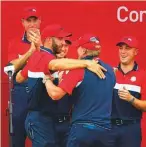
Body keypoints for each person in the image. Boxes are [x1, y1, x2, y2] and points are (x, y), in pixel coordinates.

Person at [16, 26, 106, 147]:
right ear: (48, 40)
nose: (63, 43)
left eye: (65, 43)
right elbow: (55, 64)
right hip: (41, 118)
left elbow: (19, 78)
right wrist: (86, 62)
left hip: (55, 120)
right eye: (59, 39)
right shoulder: (43, 56)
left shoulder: (39, 57)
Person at [44, 34, 116, 147]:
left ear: (82, 50)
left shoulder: (78, 70)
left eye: (78, 48)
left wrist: (47, 79)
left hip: (82, 129)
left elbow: (55, 94)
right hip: (105, 131)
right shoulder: (111, 71)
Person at [6, 7, 41, 147]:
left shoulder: (46, 43)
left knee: (41, 138)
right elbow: (12, 68)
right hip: (21, 94)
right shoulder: (14, 43)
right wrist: (31, 52)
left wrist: (38, 47)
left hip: (40, 93)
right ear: (23, 23)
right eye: (29, 21)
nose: (32, 24)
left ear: (40, 22)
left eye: (35, 20)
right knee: (17, 139)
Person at [110, 36, 146, 147]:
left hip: (131, 129)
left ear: (135, 52)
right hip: (109, 127)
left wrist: (131, 99)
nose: (123, 52)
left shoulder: (144, 76)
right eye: (121, 48)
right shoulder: (110, 73)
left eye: (127, 48)